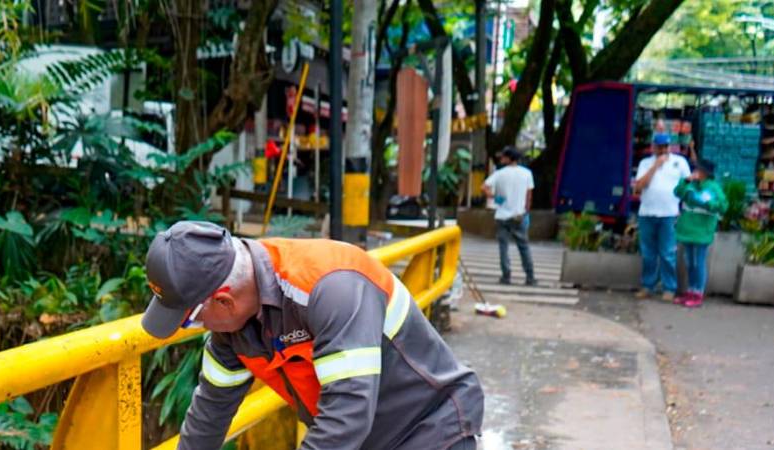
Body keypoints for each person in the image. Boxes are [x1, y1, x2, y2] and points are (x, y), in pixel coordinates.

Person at [141, 221, 484, 450]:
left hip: (431, 430)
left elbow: (347, 414)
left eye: (191, 321)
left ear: (224, 300)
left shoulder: (329, 287)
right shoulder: (231, 330)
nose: (198, 330)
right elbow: (208, 415)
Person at [632, 134, 692, 301]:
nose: (663, 150)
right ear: (654, 147)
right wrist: (655, 167)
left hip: (669, 213)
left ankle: (669, 287)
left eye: (665, 146)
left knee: (667, 252)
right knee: (648, 252)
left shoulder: (679, 162)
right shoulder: (645, 163)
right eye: (659, 147)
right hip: (647, 213)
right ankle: (647, 285)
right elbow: (638, 186)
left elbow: (688, 183)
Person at [673, 160, 727, 308]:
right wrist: (685, 181)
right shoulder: (691, 184)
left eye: (699, 170)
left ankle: (698, 293)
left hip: (702, 230)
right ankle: (690, 291)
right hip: (687, 228)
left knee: (699, 262)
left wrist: (707, 203)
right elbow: (677, 192)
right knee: (690, 262)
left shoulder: (714, 188)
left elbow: (722, 206)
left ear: (706, 173)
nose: (696, 172)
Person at [482, 147, 537, 285]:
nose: (501, 159)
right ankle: (530, 276)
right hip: (519, 215)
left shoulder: (499, 174)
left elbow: (484, 187)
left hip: (502, 216)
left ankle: (506, 276)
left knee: (503, 247)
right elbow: (529, 195)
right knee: (524, 247)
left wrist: (495, 197)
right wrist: (526, 211)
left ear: (508, 158)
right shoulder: (527, 174)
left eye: (503, 157)